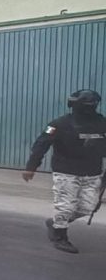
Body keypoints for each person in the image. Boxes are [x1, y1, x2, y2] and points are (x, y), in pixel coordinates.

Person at [23, 89, 106, 253]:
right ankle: (60, 236)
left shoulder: (102, 123)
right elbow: (41, 144)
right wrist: (31, 167)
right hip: (66, 172)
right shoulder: (57, 124)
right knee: (65, 207)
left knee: (88, 207)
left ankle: (55, 222)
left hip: (93, 173)